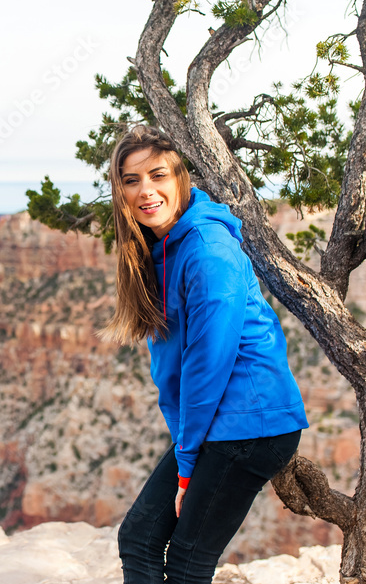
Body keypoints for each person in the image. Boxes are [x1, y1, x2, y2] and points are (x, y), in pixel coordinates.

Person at [95, 124, 310, 584]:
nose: (146, 191)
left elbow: (206, 364)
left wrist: (187, 467)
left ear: (181, 178)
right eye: (131, 181)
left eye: (157, 175)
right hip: (222, 421)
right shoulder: (166, 246)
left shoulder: (208, 251)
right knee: (140, 538)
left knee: (188, 561)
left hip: (247, 425)